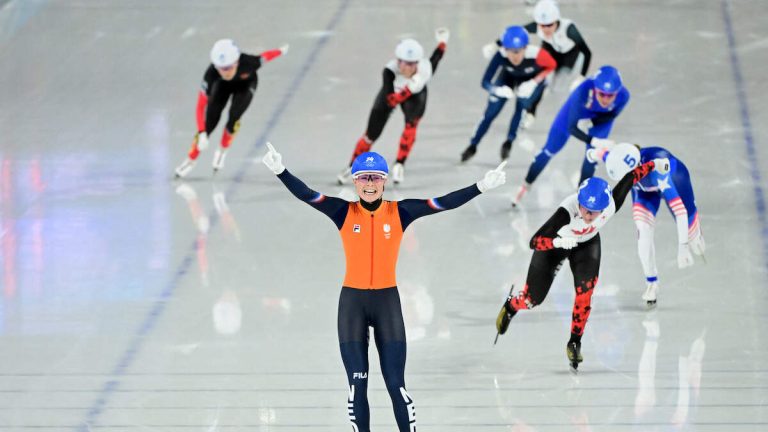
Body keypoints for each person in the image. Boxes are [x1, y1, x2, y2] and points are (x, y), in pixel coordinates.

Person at [263, 143, 506, 431]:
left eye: (375, 177)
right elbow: (307, 195)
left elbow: (443, 202)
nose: (369, 184)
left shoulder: (400, 212)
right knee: (358, 385)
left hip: (386, 304)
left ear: (384, 181)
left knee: (395, 384)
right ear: (355, 181)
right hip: (352, 304)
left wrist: (481, 186)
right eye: (364, 178)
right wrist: (281, 171)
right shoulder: (343, 212)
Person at [495, 156, 670, 371]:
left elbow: (631, 177)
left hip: (586, 245)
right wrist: (558, 240)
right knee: (533, 300)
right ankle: (512, 305)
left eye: (593, 212)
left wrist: (655, 165)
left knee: (585, 294)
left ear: (604, 209)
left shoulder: (611, 204)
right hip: (554, 246)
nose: (587, 215)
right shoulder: (565, 213)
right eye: (584, 208)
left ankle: (575, 342)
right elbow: (534, 242)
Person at [595, 143, 706, 306]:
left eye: (628, 176)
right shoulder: (619, 159)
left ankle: (695, 233)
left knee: (692, 236)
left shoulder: (658, 170)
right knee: (643, 232)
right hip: (644, 190)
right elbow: (603, 154)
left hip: (674, 179)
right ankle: (652, 282)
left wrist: (683, 247)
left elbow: (680, 212)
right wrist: (593, 154)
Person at [337, 28, 450, 185]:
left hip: (416, 96)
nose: (406, 68)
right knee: (370, 135)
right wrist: (409, 88)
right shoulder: (389, 71)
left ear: (417, 63)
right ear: (397, 61)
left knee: (411, 125)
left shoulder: (425, 70)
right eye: (402, 63)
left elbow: (436, 58)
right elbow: (390, 101)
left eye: (411, 64)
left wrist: (443, 42)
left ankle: (399, 164)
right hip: (393, 94)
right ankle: (352, 165)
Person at [511, 65, 629, 207]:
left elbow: (611, 115)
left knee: (592, 157)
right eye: (601, 94)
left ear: (617, 93)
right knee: (549, 149)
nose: (605, 99)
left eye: (610, 95)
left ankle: (582, 199)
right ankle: (525, 185)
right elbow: (571, 127)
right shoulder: (582, 91)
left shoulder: (624, 96)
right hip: (573, 114)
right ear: (595, 89)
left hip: (600, 120)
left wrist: (592, 123)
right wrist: (593, 139)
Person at [174, 39, 288, 178]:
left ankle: (222, 151)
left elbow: (266, 56)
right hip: (222, 86)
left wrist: (281, 51)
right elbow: (200, 106)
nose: (225, 72)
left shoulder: (249, 63)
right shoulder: (211, 74)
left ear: (237, 62)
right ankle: (190, 160)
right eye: (221, 68)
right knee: (210, 121)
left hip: (245, 86)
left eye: (228, 67)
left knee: (234, 117)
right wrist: (202, 131)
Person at [482, 0, 592, 129]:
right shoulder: (537, 27)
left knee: (567, 87)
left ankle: (589, 111)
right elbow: (515, 33)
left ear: (557, 20)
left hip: (569, 56)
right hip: (549, 51)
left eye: (549, 25)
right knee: (543, 82)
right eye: (542, 25)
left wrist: (582, 75)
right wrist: (495, 45)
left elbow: (587, 52)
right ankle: (530, 113)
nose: (545, 29)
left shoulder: (569, 30)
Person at [460, 26, 556, 163]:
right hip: (508, 77)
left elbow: (552, 65)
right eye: (508, 50)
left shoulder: (538, 54)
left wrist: (535, 82)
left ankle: (509, 141)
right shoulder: (500, 55)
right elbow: (485, 82)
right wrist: (497, 90)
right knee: (491, 112)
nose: (513, 56)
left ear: (525, 47)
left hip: (530, 80)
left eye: (517, 51)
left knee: (522, 105)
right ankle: (473, 145)